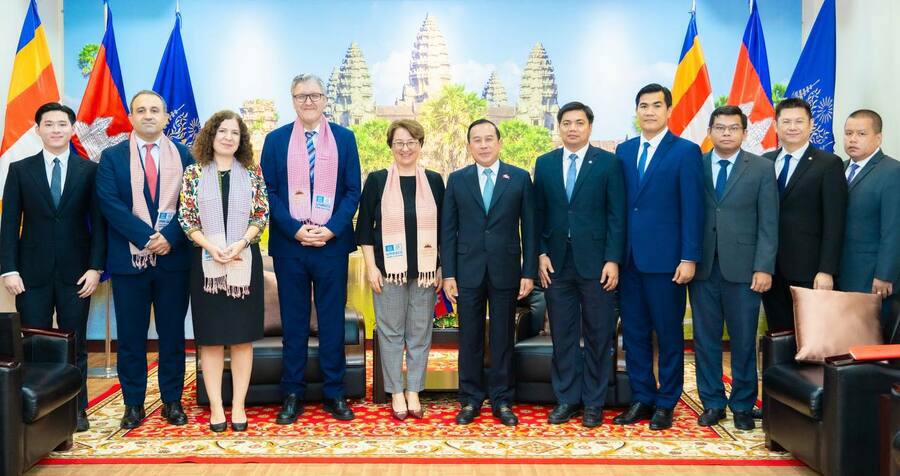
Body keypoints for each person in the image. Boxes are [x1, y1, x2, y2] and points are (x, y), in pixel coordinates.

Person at [260, 74, 361, 423]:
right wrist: (295, 230)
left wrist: (330, 230)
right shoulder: (275, 141)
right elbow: (268, 192)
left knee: (332, 321)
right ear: (293, 100)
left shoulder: (345, 139)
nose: (309, 101)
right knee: (294, 322)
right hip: (291, 247)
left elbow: (353, 191)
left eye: (315, 95)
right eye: (302, 96)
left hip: (331, 246)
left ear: (325, 99)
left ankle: (335, 393)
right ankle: (292, 393)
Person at [0, 102, 106, 432]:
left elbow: (99, 225)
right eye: (49, 124)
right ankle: (36, 413)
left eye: (62, 124)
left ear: (72, 129)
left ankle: (77, 409)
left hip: (78, 274)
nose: (56, 129)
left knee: (76, 344)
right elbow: (9, 223)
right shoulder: (20, 169)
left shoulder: (89, 170)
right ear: (38, 130)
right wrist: (8, 269)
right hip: (30, 275)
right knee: (34, 344)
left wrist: (95, 268)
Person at [95, 90, 194, 429]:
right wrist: (147, 238)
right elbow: (110, 204)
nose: (148, 115)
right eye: (141, 110)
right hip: (129, 262)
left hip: (174, 261)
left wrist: (169, 238)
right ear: (131, 117)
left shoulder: (184, 155)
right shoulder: (112, 157)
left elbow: (191, 205)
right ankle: (133, 404)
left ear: (166, 117)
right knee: (131, 337)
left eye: (155, 110)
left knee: (172, 336)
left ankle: (172, 401)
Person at [613, 83, 704, 431]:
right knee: (634, 333)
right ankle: (642, 397)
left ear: (668, 110)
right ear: (636, 111)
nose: (649, 111)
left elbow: (692, 208)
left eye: (656, 105)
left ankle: (666, 401)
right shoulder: (623, 151)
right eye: (643, 106)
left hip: (668, 263)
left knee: (668, 335)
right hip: (629, 261)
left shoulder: (685, 151)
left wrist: (689, 256)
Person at [532, 102, 625, 428]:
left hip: (597, 264)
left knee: (599, 334)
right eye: (567, 123)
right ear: (558, 127)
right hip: (556, 264)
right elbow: (537, 215)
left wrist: (613, 259)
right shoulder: (544, 164)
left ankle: (594, 403)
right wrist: (540, 253)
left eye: (579, 123)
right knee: (563, 334)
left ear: (589, 127)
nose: (572, 128)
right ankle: (567, 399)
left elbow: (616, 215)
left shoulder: (608, 163)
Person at [688, 106, 778, 431]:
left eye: (733, 128)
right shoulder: (694, 166)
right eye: (720, 127)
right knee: (705, 339)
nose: (726, 133)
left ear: (744, 132)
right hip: (702, 267)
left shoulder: (762, 168)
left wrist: (764, 267)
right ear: (710, 131)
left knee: (743, 340)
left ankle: (742, 404)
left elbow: (769, 222)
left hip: (745, 269)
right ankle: (712, 402)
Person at [442, 118, 537, 426]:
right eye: (477, 140)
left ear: (499, 142)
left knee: (502, 337)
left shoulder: (519, 178)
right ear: (469, 145)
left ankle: (502, 399)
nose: (483, 145)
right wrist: (448, 274)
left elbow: (530, 229)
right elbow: (448, 230)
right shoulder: (457, 180)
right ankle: (470, 399)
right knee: (469, 337)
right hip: (466, 271)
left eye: (488, 139)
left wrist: (528, 272)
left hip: (506, 270)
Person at [178, 110, 269, 432]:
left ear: (241, 140)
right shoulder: (193, 173)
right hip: (206, 264)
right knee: (212, 339)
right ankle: (217, 407)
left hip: (244, 260)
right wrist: (211, 246)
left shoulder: (252, 172)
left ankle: (239, 405)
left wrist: (242, 242)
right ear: (211, 136)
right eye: (222, 131)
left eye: (235, 133)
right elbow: (186, 217)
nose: (228, 137)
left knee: (243, 340)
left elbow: (261, 214)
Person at [356, 119, 444, 421]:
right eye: (399, 143)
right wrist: (371, 267)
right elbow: (364, 228)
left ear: (420, 145)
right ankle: (395, 392)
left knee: (419, 334)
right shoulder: (377, 181)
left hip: (425, 273)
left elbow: (445, 229)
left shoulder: (434, 181)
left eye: (411, 143)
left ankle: (414, 391)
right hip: (387, 272)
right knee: (391, 333)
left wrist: (441, 267)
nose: (405, 148)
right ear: (391, 146)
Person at [761, 98, 847, 332]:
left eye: (799, 121)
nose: (792, 127)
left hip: (809, 271)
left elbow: (835, 222)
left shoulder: (828, 164)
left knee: (811, 336)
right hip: (770, 270)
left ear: (811, 125)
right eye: (786, 121)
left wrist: (826, 270)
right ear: (776, 125)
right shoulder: (764, 162)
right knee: (778, 335)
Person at [837, 109, 900, 321]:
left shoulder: (892, 172)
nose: (853, 139)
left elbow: (893, 230)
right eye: (848, 133)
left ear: (878, 138)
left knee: (870, 336)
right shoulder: (839, 168)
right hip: (841, 274)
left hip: (872, 278)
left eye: (861, 134)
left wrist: (885, 274)